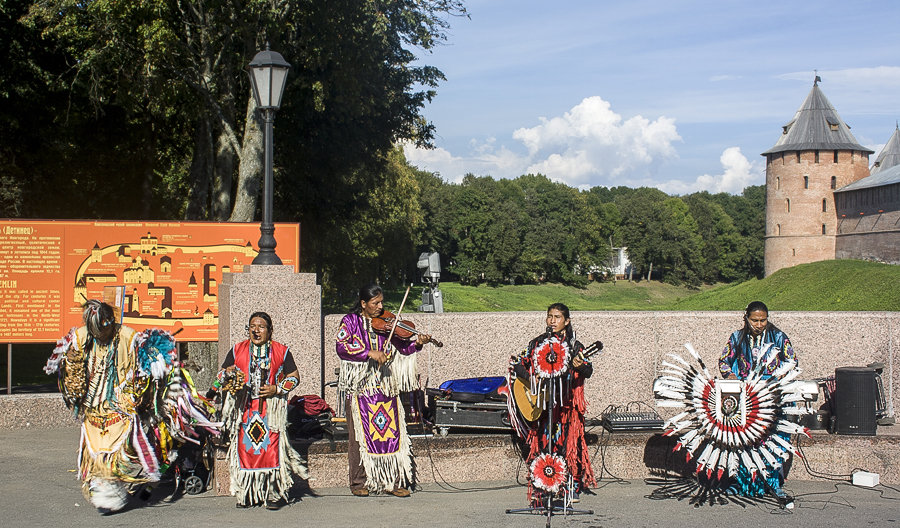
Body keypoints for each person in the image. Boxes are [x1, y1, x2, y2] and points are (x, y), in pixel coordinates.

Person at [44, 300, 218, 513]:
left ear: (110, 323)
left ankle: (111, 485)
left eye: (103, 329)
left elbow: (147, 365)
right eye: (95, 330)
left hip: (120, 406)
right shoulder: (81, 337)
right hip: (93, 408)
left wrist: (143, 381)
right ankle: (102, 484)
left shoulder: (127, 336)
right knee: (97, 451)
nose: (99, 335)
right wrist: (73, 377)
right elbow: (70, 369)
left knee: (119, 450)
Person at [335, 283, 431, 497]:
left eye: (381, 302)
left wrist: (418, 343)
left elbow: (404, 347)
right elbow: (342, 346)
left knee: (392, 433)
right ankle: (359, 482)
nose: (380, 307)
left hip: (385, 386)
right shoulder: (350, 322)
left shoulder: (389, 323)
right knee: (358, 438)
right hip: (361, 388)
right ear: (363, 303)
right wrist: (370, 353)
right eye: (375, 303)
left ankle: (394, 481)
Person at [507, 303, 596, 506]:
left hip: (566, 406)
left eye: (557, 317)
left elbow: (588, 371)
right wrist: (532, 381)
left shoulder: (575, 346)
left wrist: (580, 365)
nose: (552, 320)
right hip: (543, 406)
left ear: (567, 321)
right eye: (549, 316)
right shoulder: (538, 343)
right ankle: (544, 485)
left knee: (568, 446)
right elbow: (518, 364)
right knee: (545, 444)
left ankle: (570, 486)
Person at [214, 311, 306, 509]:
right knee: (246, 451)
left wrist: (277, 388)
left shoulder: (282, 351)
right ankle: (248, 492)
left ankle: (274, 493)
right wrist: (226, 376)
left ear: (270, 331)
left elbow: (295, 376)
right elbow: (220, 375)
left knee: (270, 450)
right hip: (244, 409)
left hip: (270, 411)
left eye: (261, 327)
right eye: (252, 327)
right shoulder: (237, 349)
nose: (255, 331)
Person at [718, 300, 797, 503]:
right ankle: (741, 483)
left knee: (773, 441)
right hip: (747, 398)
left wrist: (778, 376)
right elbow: (724, 361)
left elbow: (792, 361)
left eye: (763, 320)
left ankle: (772, 483)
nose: (760, 324)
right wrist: (729, 376)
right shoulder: (737, 337)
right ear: (747, 318)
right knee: (744, 440)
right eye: (755, 320)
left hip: (772, 397)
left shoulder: (778, 337)